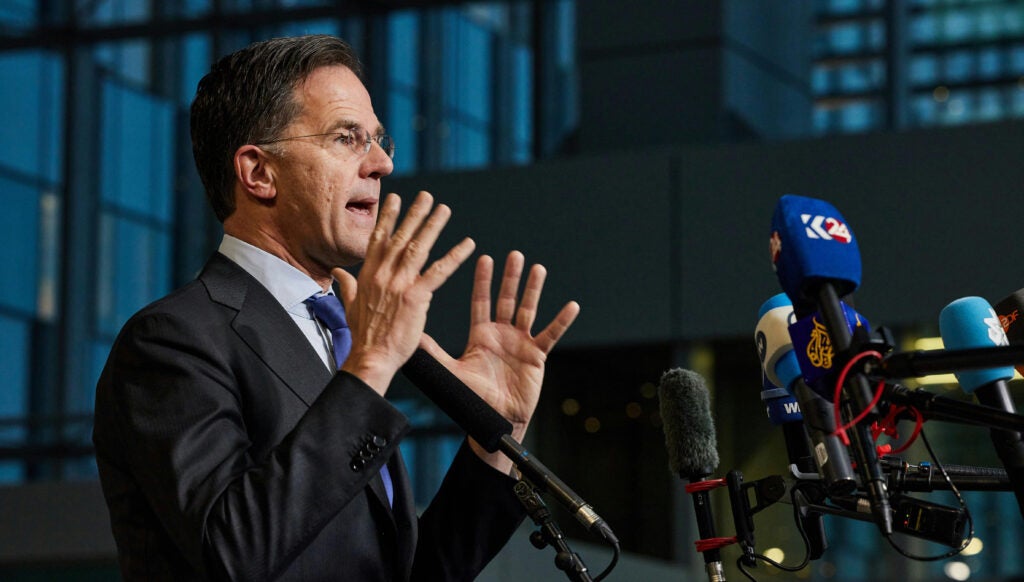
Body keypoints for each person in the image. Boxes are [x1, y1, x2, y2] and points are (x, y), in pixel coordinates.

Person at [92, 34, 580, 581]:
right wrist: (370, 366)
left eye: (378, 140)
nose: (380, 164)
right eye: (347, 138)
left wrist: (495, 438)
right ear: (259, 172)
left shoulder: (338, 338)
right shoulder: (172, 340)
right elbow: (233, 553)